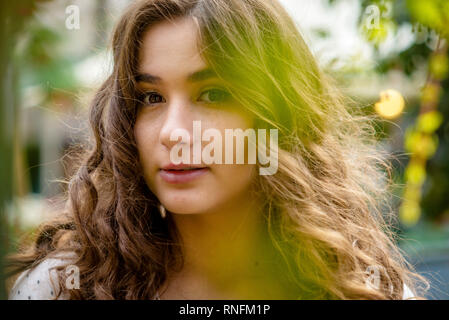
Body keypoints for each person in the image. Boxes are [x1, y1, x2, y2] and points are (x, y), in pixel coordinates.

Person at [7, 0, 426, 300]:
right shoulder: (65, 287)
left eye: (213, 93)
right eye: (150, 98)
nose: (173, 133)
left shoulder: (363, 290)